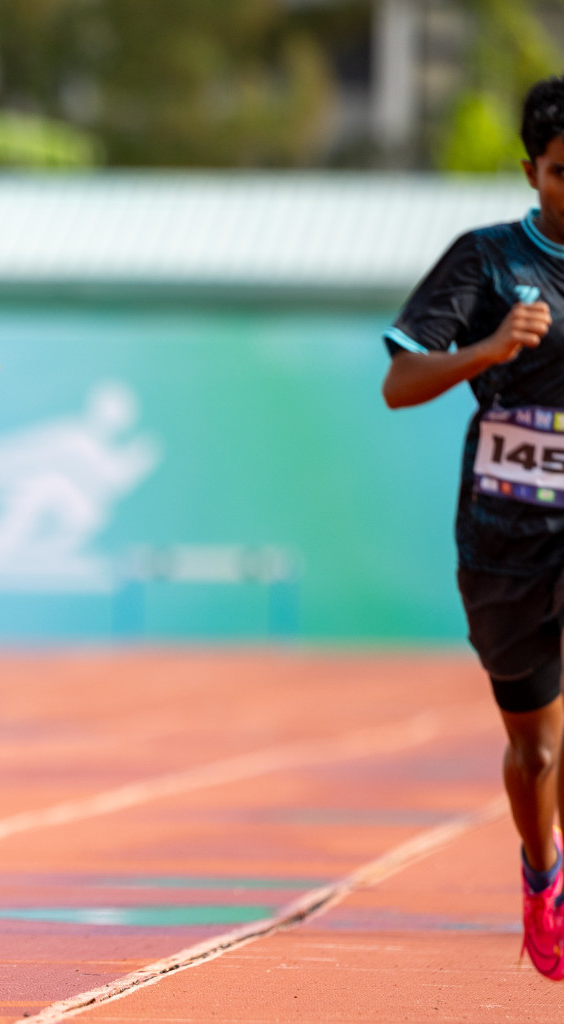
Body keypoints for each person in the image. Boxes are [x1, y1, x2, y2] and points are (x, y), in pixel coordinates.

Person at [382, 76, 564, 979]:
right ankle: (542, 871)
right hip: (504, 536)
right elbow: (400, 383)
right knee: (533, 750)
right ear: (534, 170)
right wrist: (490, 349)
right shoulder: (487, 262)